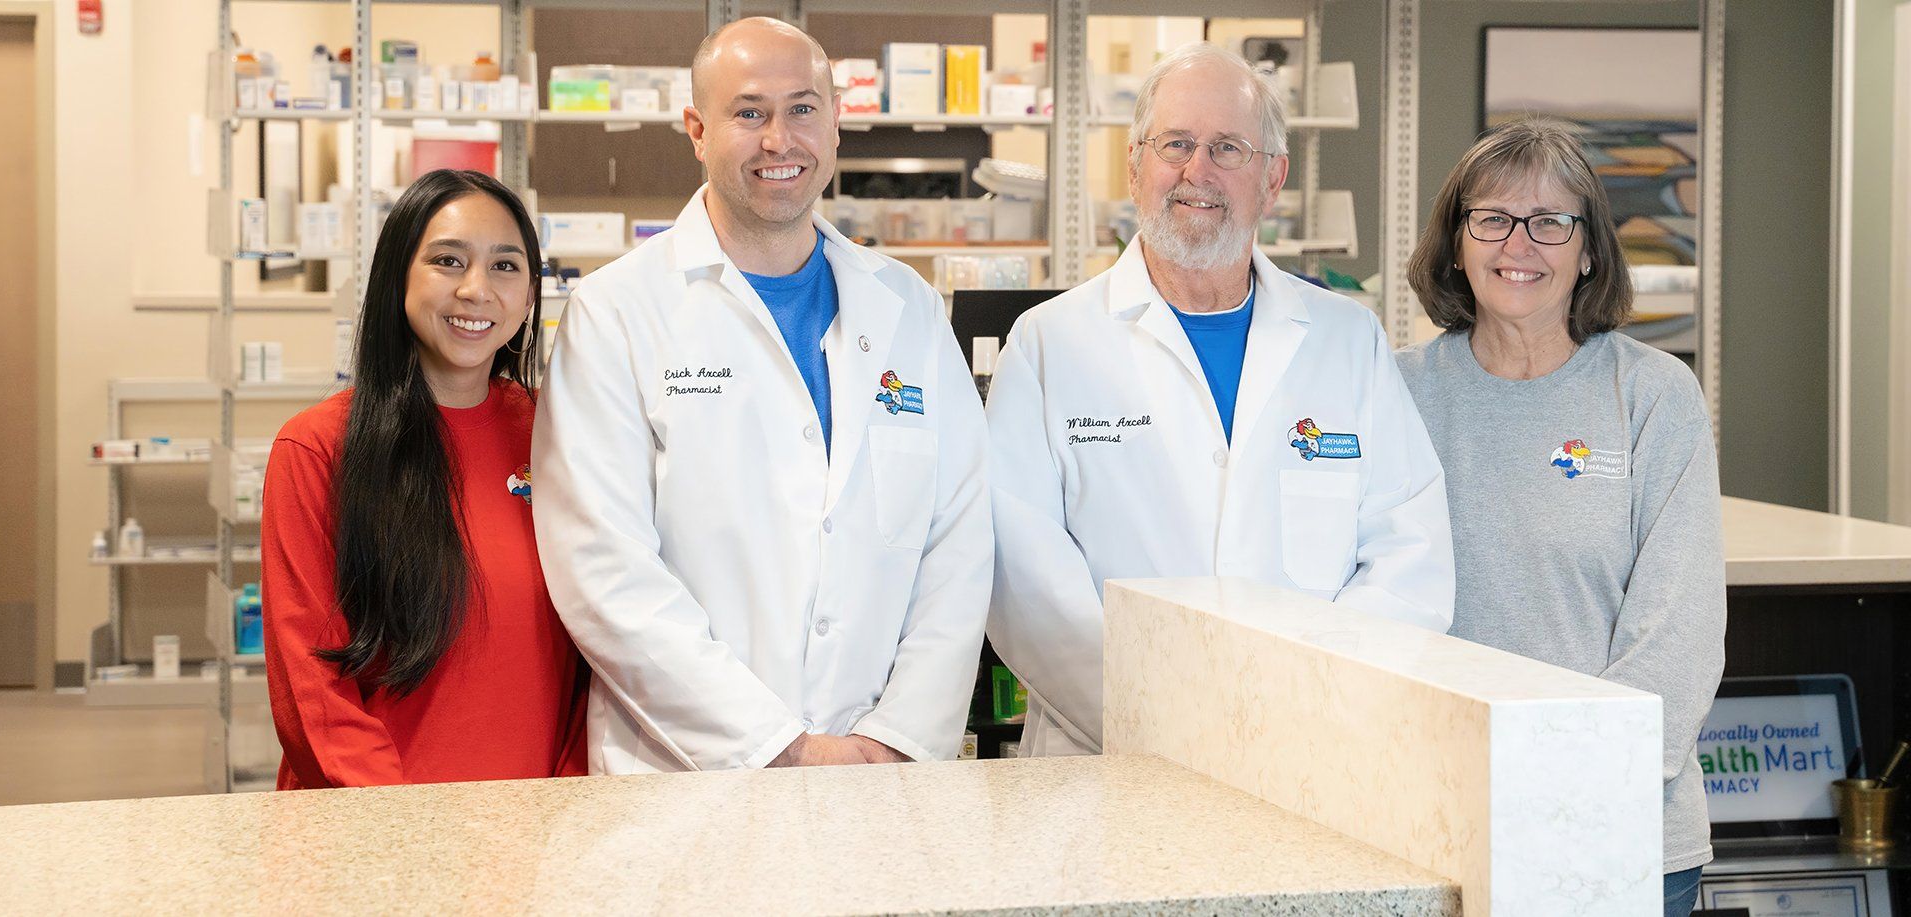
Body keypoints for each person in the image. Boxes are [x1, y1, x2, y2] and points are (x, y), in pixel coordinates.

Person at [532, 18, 991, 774]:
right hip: (690, 777)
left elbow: (960, 542)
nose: (780, 139)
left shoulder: (906, 308)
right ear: (697, 131)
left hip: (880, 777)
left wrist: (896, 737)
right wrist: (777, 746)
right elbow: (603, 570)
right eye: (749, 113)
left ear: (837, 124)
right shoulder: (615, 314)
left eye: (803, 109)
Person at [985, 43, 1455, 758]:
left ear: (1273, 179)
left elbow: (1409, 555)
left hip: (1310, 753)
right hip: (1110, 760)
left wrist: (1305, 710)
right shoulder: (1049, 344)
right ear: (1136, 164)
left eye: (1227, 148)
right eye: (1175, 143)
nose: (1195, 170)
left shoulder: (1347, 340)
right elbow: (1026, 582)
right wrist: (1166, 723)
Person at [1393, 118, 1725, 917]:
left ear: (1588, 250)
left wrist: (1569, 784)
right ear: (1457, 240)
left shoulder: (1653, 395)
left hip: (1621, 826)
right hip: (1438, 815)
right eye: (1493, 219)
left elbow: (1678, 634)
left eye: (1550, 222)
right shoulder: (1395, 392)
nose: (1520, 244)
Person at [263, 169, 587, 788]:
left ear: (529, 295)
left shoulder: (562, 433)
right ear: (397, 277)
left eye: (505, 266)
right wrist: (405, 834)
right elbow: (311, 687)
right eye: (447, 260)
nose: (476, 290)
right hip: (376, 836)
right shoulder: (317, 448)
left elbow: (601, 643)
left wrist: (567, 797)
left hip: (537, 827)